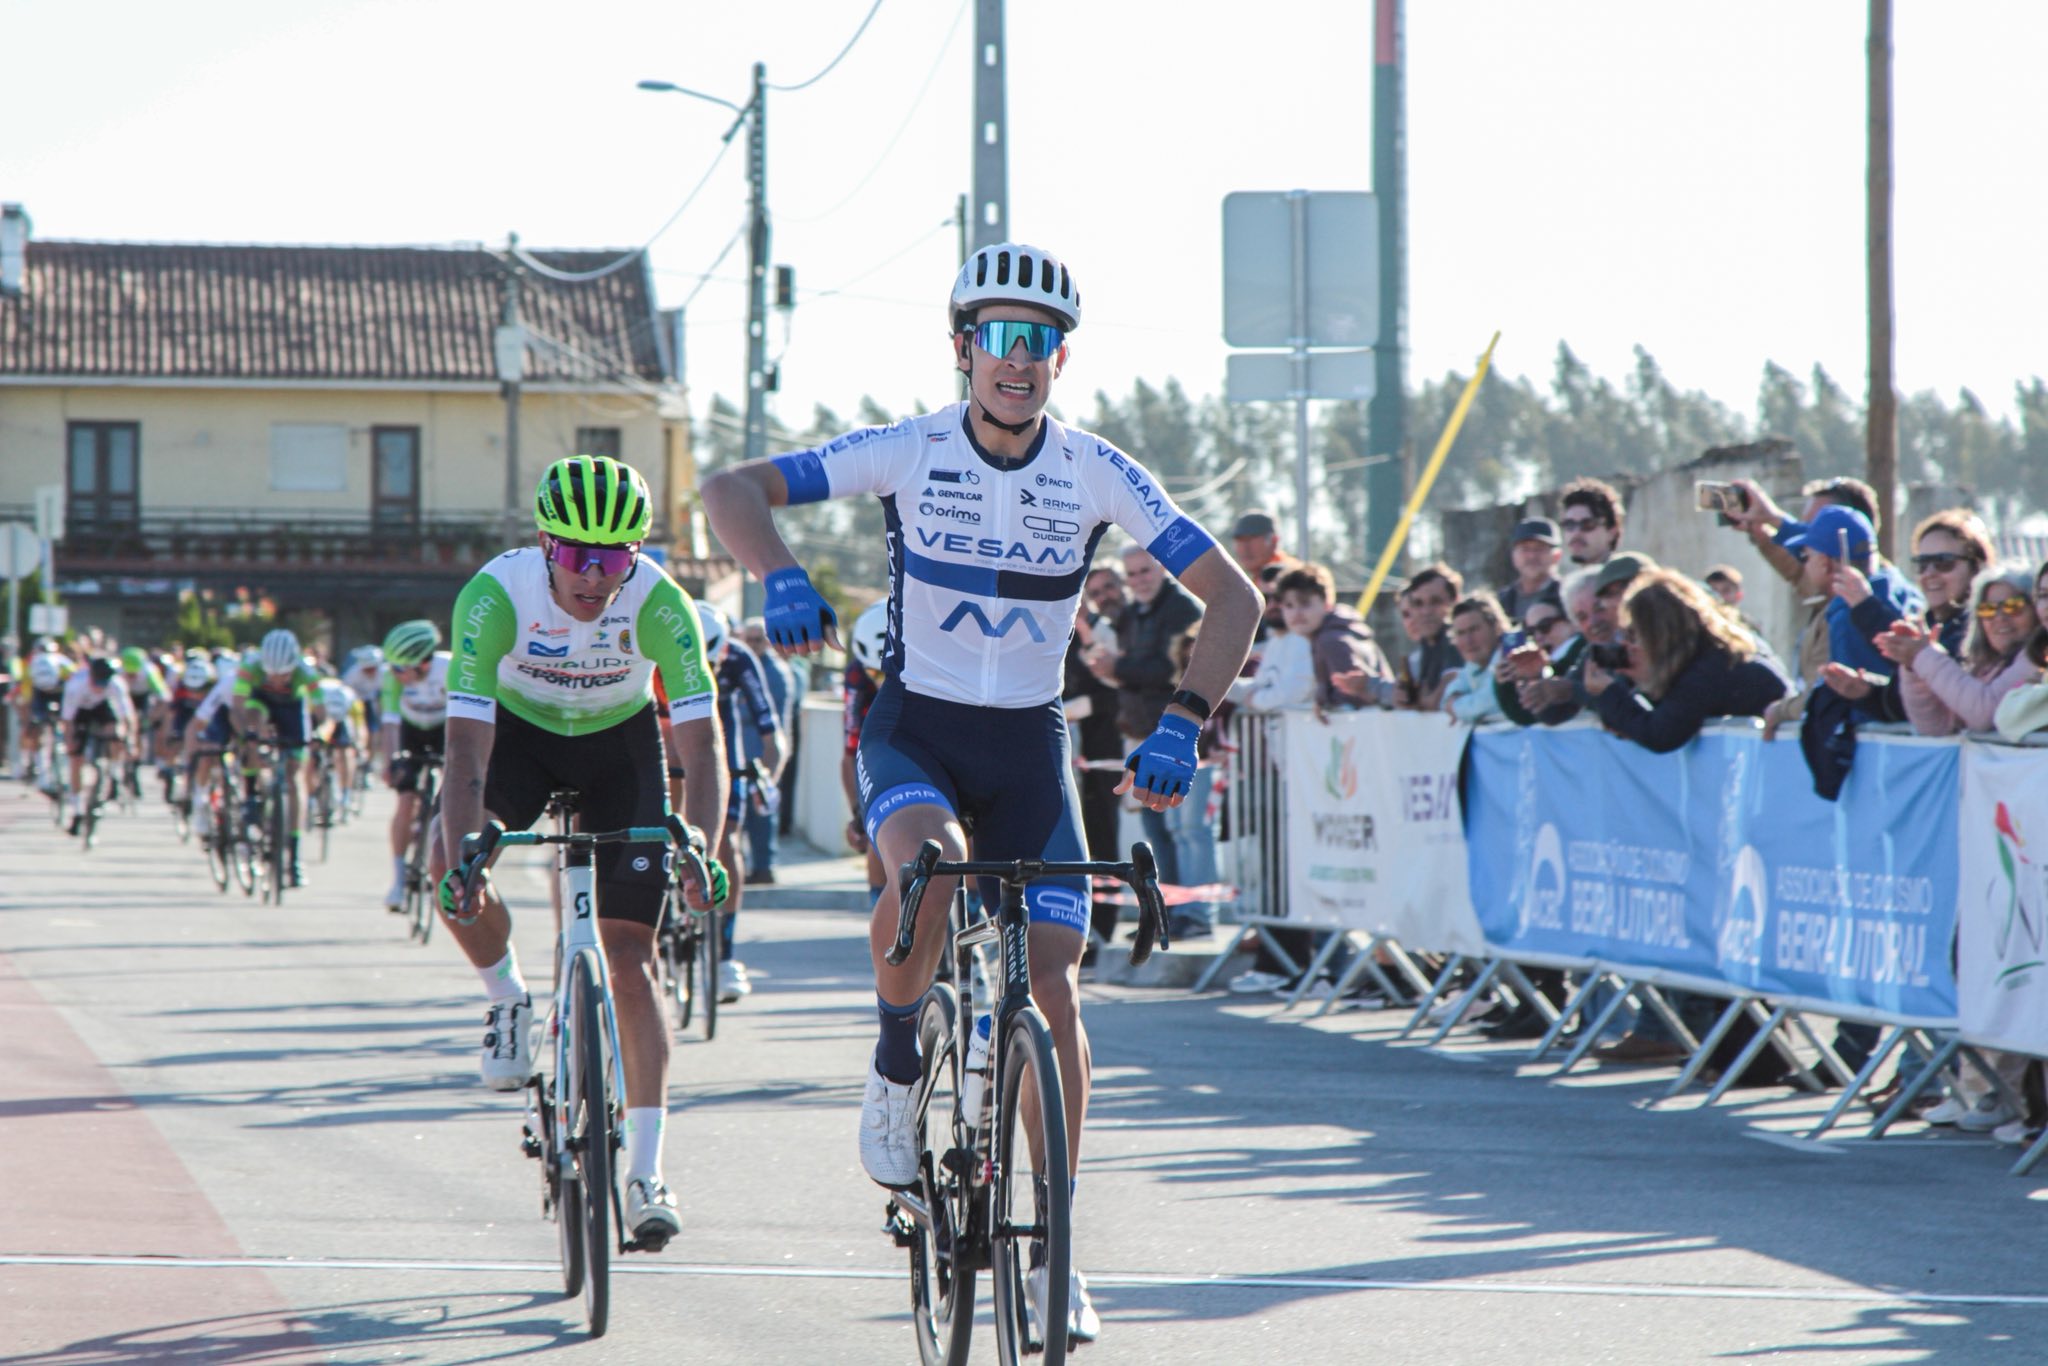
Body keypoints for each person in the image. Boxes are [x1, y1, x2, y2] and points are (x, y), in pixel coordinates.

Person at [698, 241, 1260, 1343]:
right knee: (929, 871)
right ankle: (898, 1059)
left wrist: (1185, 720)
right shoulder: (910, 450)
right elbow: (731, 488)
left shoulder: (1096, 469)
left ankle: (1056, 1249)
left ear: (1058, 360)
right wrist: (780, 570)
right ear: (963, 349)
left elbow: (1231, 599)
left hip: (1029, 750)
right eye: (999, 338)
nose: (1019, 360)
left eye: (1039, 343)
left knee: (1054, 992)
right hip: (920, 732)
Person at [431, 454, 727, 1250]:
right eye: (575, 557)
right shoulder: (496, 595)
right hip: (519, 740)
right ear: (544, 546)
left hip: (616, 749)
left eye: (614, 559)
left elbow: (701, 747)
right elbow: (463, 754)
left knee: (632, 957)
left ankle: (647, 1173)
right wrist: (466, 857)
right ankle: (506, 997)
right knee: (445, 867)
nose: (594, 578)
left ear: (636, 556)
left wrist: (703, 847)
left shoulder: (662, 604)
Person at [1091, 544, 1206, 939]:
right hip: (1143, 735)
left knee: (1186, 831)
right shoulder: (1135, 614)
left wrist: (1117, 668)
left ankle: (1194, 915)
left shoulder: (1181, 609)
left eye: (1145, 571)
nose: (1139, 580)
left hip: (1176, 736)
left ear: (1161, 569)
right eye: (1133, 574)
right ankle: (1166, 915)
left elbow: (1171, 668)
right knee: (1156, 832)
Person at [1582, 569, 1792, 752]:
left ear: (1658, 634)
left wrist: (1609, 694)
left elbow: (1662, 735)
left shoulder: (1712, 666)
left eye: (1636, 635)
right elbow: (1676, 711)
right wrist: (1647, 682)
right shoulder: (1704, 659)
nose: (1632, 644)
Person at [698, 601, 784, 1003]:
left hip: (723, 762)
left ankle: (725, 954)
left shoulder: (737, 658)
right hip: (670, 755)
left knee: (727, 842)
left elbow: (773, 737)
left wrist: (764, 780)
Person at [1880, 565, 2040, 737]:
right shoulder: (1984, 667)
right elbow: (1937, 728)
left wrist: (1924, 656)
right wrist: (1913, 665)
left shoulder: (2039, 658)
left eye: (2012, 606)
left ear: (2037, 611)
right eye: (1988, 609)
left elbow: (1985, 715)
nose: (1999, 617)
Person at [1065, 568, 1129, 952]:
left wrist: (1063, 710)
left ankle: (1103, 926)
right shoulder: (1062, 631)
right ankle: (1078, 925)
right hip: (1076, 756)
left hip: (1106, 752)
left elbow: (1108, 694)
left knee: (1104, 838)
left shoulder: (1106, 630)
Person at [229, 629, 323, 886]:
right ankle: (250, 795)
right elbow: (237, 704)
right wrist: (245, 735)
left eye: (284, 674)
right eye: (272, 674)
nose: (278, 679)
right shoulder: (249, 666)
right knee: (252, 720)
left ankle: (293, 854)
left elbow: (320, 709)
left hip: (292, 710)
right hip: (259, 704)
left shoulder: (307, 671)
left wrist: (317, 734)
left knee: (294, 778)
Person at [378, 620, 449, 910]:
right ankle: (397, 880)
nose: (395, 674)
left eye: (400, 668)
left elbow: (467, 721)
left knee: (455, 794)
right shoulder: (391, 678)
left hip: (447, 727)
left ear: (422, 663)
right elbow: (391, 724)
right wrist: (390, 761)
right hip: (412, 732)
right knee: (405, 801)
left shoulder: (450, 669)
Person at [1273, 563, 1390, 711]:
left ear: (1327, 603)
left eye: (1305, 603)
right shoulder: (1335, 632)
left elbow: (1354, 695)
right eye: (1289, 605)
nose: (1297, 613)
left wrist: (1329, 706)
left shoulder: (1332, 641)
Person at [739, 615, 796, 886]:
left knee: (761, 810)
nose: (752, 644)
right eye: (748, 639)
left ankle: (764, 866)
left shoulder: (773, 671)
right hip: (747, 748)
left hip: (762, 750)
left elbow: (769, 717)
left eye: (757, 640)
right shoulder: (752, 666)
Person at [842, 601, 891, 905]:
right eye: (874, 672)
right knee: (878, 830)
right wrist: (858, 814)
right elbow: (849, 752)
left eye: (887, 672)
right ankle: (880, 913)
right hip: (885, 747)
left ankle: (976, 913)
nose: (881, 681)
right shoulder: (858, 675)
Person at [59, 655, 134, 833]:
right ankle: (77, 810)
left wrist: (128, 739)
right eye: (97, 682)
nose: (100, 687)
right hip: (80, 712)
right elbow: (67, 721)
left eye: (104, 683)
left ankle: (114, 773)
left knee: (116, 733)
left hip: (101, 708)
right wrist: (70, 742)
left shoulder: (116, 684)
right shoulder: (75, 685)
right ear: (90, 675)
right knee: (76, 759)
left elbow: (127, 716)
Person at [1393, 564, 1462, 710]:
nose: (1426, 611)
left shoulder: (1457, 642)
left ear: (1455, 601)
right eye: (1418, 604)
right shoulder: (1427, 645)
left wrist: (1417, 701)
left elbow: (1436, 702)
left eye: (1435, 601)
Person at [1440, 594, 1510, 724]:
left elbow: (1488, 704)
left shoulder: (1513, 656)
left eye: (1474, 630)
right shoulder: (1474, 665)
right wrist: (1454, 702)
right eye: (1461, 633)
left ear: (1496, 627)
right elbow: (1447, 698)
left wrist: (1457, 707)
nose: (1468, 640)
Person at [1495, 518, 1564, 625]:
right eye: (1525, 549)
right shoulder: (1501, 601)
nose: (1532, 556)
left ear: (1557, 556)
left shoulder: (1567, 595)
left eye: (1539, 548)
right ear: (1513, 555)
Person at [1558, 477, 1625, 567]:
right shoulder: (1574, 580)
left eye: (1587, 524)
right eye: (1570, 524)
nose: (1576, 533)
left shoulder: (1629, 578)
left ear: (1612, 532)